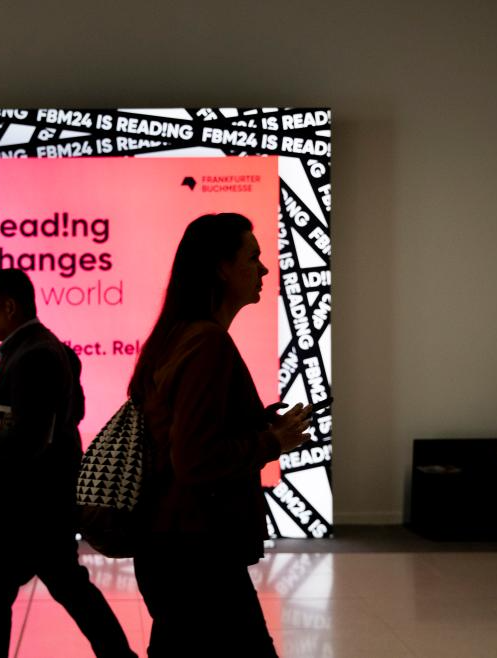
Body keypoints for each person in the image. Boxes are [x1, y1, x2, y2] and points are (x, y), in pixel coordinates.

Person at [128, 213, 313, 657]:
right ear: (221, 268)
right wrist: (274, 442)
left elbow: (186, 432)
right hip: (198, 552)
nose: (263, 269)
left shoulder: (176, 337)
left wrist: (258, 427)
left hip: (172, 545)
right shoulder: (207, 343)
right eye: (253, 257)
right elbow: (195, 458)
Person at [0, 269, 136, 658]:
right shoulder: (44, 349)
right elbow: (61, 421)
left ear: (9, 307)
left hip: (21, 508)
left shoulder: (34, 356)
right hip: (39, 504)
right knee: (63, 585)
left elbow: (30, 439)